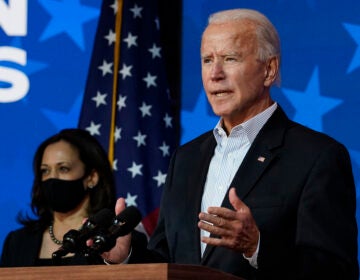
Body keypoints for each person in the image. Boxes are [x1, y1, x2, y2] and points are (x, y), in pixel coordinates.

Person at [98, 8, 358, 280]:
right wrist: (126, 257)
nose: (215, 74)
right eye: (207, 60)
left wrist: (257, 247)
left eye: (230, 58)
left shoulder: (317, 157)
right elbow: (169, 261)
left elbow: (336, 271)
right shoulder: (185, 159)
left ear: (269, 70)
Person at [0, 128, 117, 266]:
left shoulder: (113, 238)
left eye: (63, 168)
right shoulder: (17, 242)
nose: (52, 178)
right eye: (45, 171)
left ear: (91, 177)